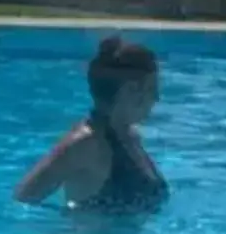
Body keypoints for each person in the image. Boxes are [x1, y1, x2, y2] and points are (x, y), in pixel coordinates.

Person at [14, 35, 169, 211]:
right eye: (152, 89)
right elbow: (22, 201)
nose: (157, 98)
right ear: (130, 91)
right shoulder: (86, 144)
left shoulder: (129, 136)